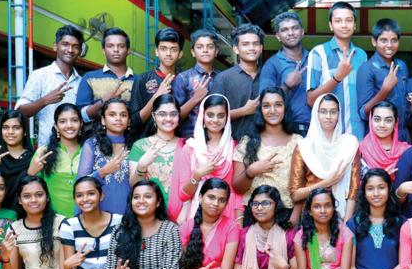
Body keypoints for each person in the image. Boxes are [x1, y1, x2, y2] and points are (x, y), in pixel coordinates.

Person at [169, 94, 242, 224]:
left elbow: (237, 193)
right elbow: (183, 195)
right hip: (198, 214)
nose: (215, 120)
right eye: (210, 115)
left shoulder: (234, 147)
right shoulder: (190, 148)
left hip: (227, 214)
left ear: (227, 118)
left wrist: (239, 221)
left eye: (221, 115)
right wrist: (197, 175)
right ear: (202, 117)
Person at [233, 87, 303, 222]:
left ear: (285, 108)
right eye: (266, 106)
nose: (272, 110)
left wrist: (295, 216)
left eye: (278, 105)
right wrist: (251, 171)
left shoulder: (299, 142)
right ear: (260, 110)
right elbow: (237, 187)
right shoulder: (247, 142)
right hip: (254, 215)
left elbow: (304, 183)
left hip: (287, 215)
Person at [290, 93, 361, 220]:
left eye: (333, 112)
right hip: (312, 216)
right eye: (323, 111)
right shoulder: (304, 146)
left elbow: (353, 190)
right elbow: (295, 194)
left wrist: (346, 224)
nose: (328, 116)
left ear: (339, 114)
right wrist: (326, 182)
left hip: (342, 215)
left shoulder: (350, 144)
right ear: (316, 114)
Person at [306, 1, 368, 140]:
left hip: (357, 134)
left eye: (349, 20)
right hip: (327, 137)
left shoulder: (362, 55)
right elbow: (311, 100)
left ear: (355, 25)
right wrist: (337, 78)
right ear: (330, 25)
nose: (344, 25)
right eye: (338, 21)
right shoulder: (318, 53)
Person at [16, 25, 83, 146]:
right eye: (65, 44)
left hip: (76, 151)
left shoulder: (82, 82)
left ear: (80, 51)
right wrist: (46, 100)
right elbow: (20, 111)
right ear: (55, 46)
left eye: (75, 46)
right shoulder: (39, 75)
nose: (70, 49)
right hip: (47, 151)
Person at [356, 18, 410, 140]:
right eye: (383, 40)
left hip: (402, 136)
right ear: (374, 41)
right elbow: (363, 113)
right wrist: (384, 91)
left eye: (394, 40)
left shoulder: (401, 66)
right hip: (379, 139)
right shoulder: (366, 69)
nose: (389, 45)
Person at [77, 98, 132, 215]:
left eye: (123, 115)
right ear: (103, 120)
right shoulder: (92, 144)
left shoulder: (134, 147)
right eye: (112, 115)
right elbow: (80, 185)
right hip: (98, 215)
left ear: (129, 121)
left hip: (129, 215)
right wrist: (103, 172)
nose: (118, 118)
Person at [259, 12, 311, 135]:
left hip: (318, 127)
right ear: (278, 36)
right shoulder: (271, 64)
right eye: (285, 30)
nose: (291, 33)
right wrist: (287, 85)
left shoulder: (315, 58)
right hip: (286, 129)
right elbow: (264, 101)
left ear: (302, 32)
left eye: (295, 28)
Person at [28, 103, 83, 217]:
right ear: (56, 127)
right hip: (53, 220)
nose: (69, 125)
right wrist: (31, 172)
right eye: (63, 121)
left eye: (74, 120)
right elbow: (29, 187)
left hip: (86, 220)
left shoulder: (89, 151)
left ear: (81, 124)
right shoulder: (44, 152)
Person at [128, 93, 184, 203]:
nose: (168, 118)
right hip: (150, 211)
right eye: (162, 114)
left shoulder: (187, 145)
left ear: (179, 115)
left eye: (173, 114)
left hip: (181, 211)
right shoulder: (140, 146)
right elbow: (134, 186)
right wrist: (142, 166)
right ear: (154, 116)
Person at [214, 24, 264, 141]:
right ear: (236, 49)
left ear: (261, 48)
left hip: (265, 145)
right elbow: (212, 116)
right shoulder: (223, 78)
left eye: (255, 44)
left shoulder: (269, 76)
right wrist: (243, 111)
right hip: (232, 144)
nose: (251, 48)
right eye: (245, 44)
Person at [129, 28, 183, 138]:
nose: (168, 53)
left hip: (178, 144)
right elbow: (133, 122)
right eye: (163, 49)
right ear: (156, 52)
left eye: (173, 49)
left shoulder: (185, 80)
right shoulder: (142, 79)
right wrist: (156, 96)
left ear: (180, 54)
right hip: (147, 144)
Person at [76, 27, 134, 123]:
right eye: (110, 46)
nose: (116, 50)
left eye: (121, 46)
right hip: (97, 136)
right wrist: (104, 101)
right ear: (103, 51)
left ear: (128, 51)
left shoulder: (139, 80)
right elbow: (81, 116)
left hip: (134, 137)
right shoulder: (89, 77)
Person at [0, 110, 34, 208]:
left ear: (25, 132)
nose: (10, 132)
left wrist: (31, 172)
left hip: (26, 215)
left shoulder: (33, 159)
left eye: (16, 128)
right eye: (5, 127)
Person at [173, 29, 220, 138]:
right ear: (193, 52)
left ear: (216, 51)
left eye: (210, 47)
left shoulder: (222, 77)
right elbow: (175, 116)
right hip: (191, 139)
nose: (205, 50)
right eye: (199, 47)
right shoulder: (183, 78)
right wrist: (195, 98)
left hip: (218, 140)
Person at [359, 100, 411, 178]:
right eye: (377, 120)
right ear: (370, 121)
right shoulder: (361, 150)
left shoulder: (407, 151)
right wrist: (382, 177)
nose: (382, 125)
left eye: (388, 120)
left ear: (395, 123)